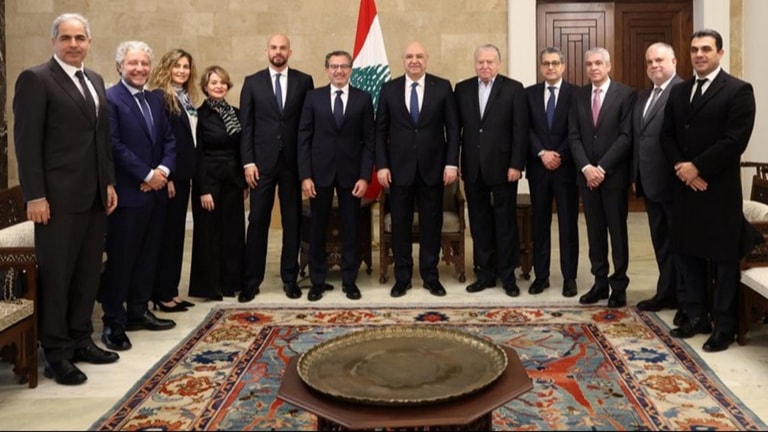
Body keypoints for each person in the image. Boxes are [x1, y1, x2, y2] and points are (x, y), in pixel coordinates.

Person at [13, 13, 119, 385]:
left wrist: (108, 183)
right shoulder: (36, 79)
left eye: (80, 38)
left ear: (89, 42)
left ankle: (81, 339)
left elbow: (101, 138)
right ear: (54, 42)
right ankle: (57, 353)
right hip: (55, 201)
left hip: (93, 197)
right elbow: (26, 144)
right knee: (57, 277)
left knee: (87, 275)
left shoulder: (95, 80)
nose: (73, 44)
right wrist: (35, 195)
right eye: (66, 38)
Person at [661, 29, 756, 352]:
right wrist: (682, 168)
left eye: (706, 49)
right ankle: (696, 316)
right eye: (694, 49)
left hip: (718, 190)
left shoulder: (738, 90)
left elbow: (734, 140)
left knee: (723, 258)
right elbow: (667, 135)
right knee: (687, 253)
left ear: (720, 53)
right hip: (685, 188)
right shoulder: (679, 91)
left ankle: (724, 327)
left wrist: (698, 167)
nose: (699, 54)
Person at [101, 40, 177, 352]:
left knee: (148, 255)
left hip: (154, 195)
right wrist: (147, 175)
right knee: (122, 259)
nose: (140, 68)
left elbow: (169, 140)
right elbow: (114, 146)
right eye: (133, 63)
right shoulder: (110, 99)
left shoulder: (155, 99)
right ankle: (113, 321)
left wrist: (162, 172)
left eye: (144, 63)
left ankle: (138, 310)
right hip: (128, 195)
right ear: (120, 66)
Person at [375, 41, 460, 298]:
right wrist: (382, 165)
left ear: (426, 59)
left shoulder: (442, 87)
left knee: (431, 225)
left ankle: (430, 276)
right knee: (400, 224)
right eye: (409, 56)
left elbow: (452, 128)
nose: (414, 60)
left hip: (433, 169)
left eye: (419, 56)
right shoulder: (389, 89)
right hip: (398, 170)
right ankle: (402, 278)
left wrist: (451, 163)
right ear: (403, 60)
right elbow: (380, 131)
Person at [239, 33, 314, 302]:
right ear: (267, 51)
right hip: (261, 165)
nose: (278, 52)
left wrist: (307, 168)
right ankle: (251, 281)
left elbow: (307, 126)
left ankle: (290, 278)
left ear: (289, 52)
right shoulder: (252, 82)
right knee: (257, 220)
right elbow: (246, 126)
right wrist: (248, 162)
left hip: (293, 164)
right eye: (274, 47)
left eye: (283, 48)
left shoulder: (304, 81)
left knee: (292, 222)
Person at [297, 50, 375, 302]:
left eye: (343, 66)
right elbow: (303, 138)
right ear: (327, 70)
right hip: (319, 174)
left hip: (352, 175)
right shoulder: (313, 98)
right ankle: (317, 281)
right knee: (317, 227)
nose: (339, 71)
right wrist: (305, 176)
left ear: (350, 70)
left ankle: (349, 280)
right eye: (334, 66)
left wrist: (364, 177)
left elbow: (369, 141)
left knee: (351, 227)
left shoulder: (363, 99)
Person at [455, 43, 528, 297]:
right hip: (473, 169)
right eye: (480, 62)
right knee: (479, 224)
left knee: (505, 223)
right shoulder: (462, 89)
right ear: (475, 64)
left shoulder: (514, 89)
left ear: (499, 63)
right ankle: (484, 274)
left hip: (504, 169)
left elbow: (520, 130)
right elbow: (456, 130)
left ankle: (507, 276)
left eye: (490, 62)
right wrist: (456, 162)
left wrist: (516, 164)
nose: (485, 66)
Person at [569, 47, 636, 308]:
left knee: (617, 232)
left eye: (598, 63)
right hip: (587, 178)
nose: (593, 68)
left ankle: (618, 286)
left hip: (613, 177)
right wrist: (587, 168)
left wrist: (602, 168)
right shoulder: (578, 95)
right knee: (594, 232)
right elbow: (573, 136)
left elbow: (626, 136)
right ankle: (599, 283)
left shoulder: (626, 94)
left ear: (608, 66)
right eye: (589, 64)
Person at [632, 43, 685, 321]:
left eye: (659, 60)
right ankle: (666, 292)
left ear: (674, 61)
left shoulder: (683, 91)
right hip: (650, 182)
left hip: (674, 183)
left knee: (680, 244)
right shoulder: (644, 96)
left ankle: (685, 299)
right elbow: (639, 139)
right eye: (650, 61)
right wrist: (635, 175)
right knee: (661, 242)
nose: (654, 65)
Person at [147, 48, 199, 312]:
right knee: (166, 237)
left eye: (186, 66)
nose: (181, 71)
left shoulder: (185, 97)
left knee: (177, 236)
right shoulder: (160, 97)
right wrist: (165, 176)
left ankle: (172, 290)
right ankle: (162, 294)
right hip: (170, 177)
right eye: (176, 66)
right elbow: (158, 140)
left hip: (184, 175)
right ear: (166, 68)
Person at [524, 47, 579, 298]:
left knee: (568, 224)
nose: (550, 67)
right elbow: (525, 128)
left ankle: (569, 278)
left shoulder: (576, 94)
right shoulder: (529, 94)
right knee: (540, 224)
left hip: (566, 169)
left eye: (555, 63)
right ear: (540, 67)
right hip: (538, 169)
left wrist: (558, 154)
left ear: (563, 66)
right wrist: (541, 153)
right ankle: (541, 276)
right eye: (546, 63)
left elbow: (577, 130)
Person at [189, 65, 247, 301]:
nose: (219, 86)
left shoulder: (236, 113)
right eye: (214, 82)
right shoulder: (198, 116)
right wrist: (203, 189)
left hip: (233, 181)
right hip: (209, 183)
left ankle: (231, 283)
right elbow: (197, 155)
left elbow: (242, 149)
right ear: (205, 86)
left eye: (222, 82)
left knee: (233, 234)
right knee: (209, 236)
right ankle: (210, 287)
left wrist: (243, 183)